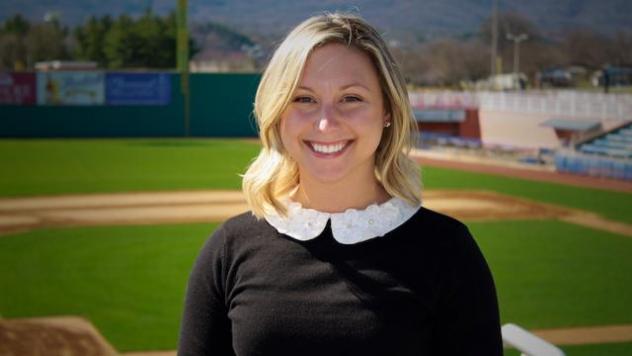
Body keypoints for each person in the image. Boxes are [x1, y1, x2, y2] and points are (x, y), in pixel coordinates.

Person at [178, 12, 503, 356]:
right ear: (277, 112)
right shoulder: (229, 249)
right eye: (304, 98)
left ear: (388, 111)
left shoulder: (448, 251)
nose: (325, 123)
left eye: (351, 98)